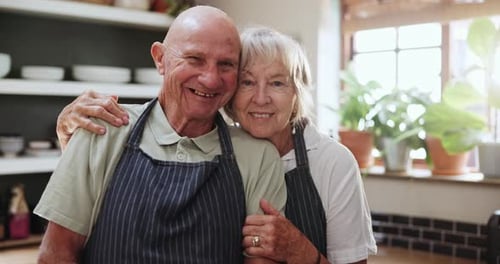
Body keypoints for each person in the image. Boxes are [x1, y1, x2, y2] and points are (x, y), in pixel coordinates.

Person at [56, 27, 377, 263]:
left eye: (277, 83)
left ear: (298, 93)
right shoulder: (207, 144)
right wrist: (74, 139)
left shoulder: (333, 163)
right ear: (230, 91)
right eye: (248, 82)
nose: (261, 98)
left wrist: (302, 252)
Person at [34, 6, 287, 264]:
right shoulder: (103, 130)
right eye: (194, 59)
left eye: (226, 65)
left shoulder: (259, 158)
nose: (211, 79)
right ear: (160, 59)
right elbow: (57, 254)